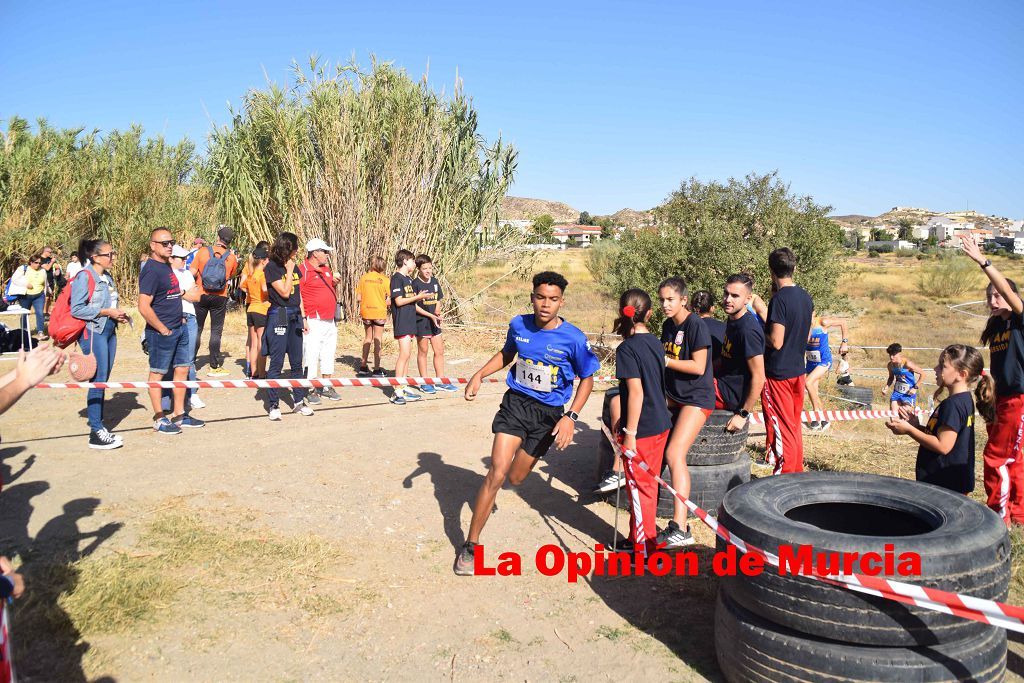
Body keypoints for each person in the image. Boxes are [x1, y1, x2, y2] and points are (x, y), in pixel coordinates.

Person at [454, 271, 600, 575]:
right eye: (540, 297)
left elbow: (587, 377)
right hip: (516, 405)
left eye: (553, 299)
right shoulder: (519, 324)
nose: (545, 304)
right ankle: (471, 546)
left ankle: (500, 489)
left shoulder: (573, 338)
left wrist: (571, 417)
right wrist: (479, 375)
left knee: (517, 478)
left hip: (548, 415)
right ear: (532, 297)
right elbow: (507, 353)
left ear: (562, 302)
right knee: (497, 471)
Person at [962, 233, 1024, 524]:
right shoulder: (997, 326)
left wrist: (982, 261)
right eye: (988, 295)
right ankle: (1016, 515)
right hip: (1003, 399)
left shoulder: (1019, 319)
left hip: (1017, 398)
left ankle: (998, 518)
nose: (992, 298)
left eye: (997, 294)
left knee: (995, 457)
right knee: (1015, 460)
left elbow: (1011, 296)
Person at [611, 289, 672, 555]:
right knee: (648, 486)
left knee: (640, 489)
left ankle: (645, 548)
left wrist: (630, 432)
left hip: (643, 429)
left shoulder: (626, 349)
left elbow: (636, 392)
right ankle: (636, 536)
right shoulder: (656, 343)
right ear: (648, 314)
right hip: (660, 423)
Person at [656, 276, 715, 549]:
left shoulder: (696, 325)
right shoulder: (668, 326)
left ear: (683, 300)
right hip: (673, 396)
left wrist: (666, 360)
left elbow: (699, 367)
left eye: (670, 300)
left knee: (674, 454)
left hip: (696, 398)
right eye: (661, 300)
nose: (665, 305)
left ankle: (681, 527)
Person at [886, 344, 986, 495]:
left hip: (946, 486)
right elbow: (942, 437)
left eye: (942, 366)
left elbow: (943, 446)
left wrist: (909, 430)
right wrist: (917, 426)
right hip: (947, 483)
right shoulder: (963, 400)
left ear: (961, 374)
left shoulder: (953, 405)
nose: (935, 369)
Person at [138, 227, 205, 435]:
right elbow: (143, 306)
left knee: (183, 369)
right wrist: (162, 329)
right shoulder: (150, 269)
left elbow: (174, 293)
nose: (169, 246)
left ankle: (179, 415)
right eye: (164, 243)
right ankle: (159, 417)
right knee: (157, 373)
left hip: (180, 326)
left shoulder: (168, 266)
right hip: (162, 332)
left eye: (171, 243)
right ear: (153, 245)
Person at [70, 239, 131, 449]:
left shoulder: (108, 277)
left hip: (109, 331)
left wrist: (119, 316)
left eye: (113, 253)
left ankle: (100, 426)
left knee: (103, 379)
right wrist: (106, 312)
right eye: (109, 254)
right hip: (93, 332)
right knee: (98, 379)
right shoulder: (84, 277)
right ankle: (96, 431)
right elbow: (76, 309)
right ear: (95, 257)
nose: (113, 257)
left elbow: (111, 303)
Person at [761, 248, 814, 475]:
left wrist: (757, 332)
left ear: (771, 271)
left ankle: (784, 478)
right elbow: (809, 334)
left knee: (782, 429)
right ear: (794, 268)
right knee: (793, 426)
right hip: (798, 371)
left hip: (778, 373)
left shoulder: (779, 300)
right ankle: (796, 473)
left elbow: (776, 340)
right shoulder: (805, 297)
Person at [263, 232, 312, 420]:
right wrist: (290, 270)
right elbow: (284, 292)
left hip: (295, 315)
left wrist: (304, 317)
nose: (297, 251)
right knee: (276, 361)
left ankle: (299, 401)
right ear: (287, 248)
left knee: (297, 361)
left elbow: (297, 294)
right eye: (295, 247)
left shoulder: (295, 267)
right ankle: (273, 405)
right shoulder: (272, 267)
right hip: (280, 313)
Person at [716, 274, 766, 434]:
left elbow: (759, 377)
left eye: (735, 296)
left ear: (747, 298)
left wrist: (742, 414)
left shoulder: (747, 330)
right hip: (721, 383)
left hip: (731, 395)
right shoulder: (733, 319)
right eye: (726, 293)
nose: (728, 299)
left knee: (680, 391)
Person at [189, 226, 238, 377]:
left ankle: (191, 363)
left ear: (218, 237)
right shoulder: (231, 257)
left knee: (197, 329)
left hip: (201, 294)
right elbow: (230, 275)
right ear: (230, 241)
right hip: (220, 296)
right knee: (216, 331)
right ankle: (214, 366)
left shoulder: (203, 252)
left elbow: (192, 271)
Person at [160, 246, 204, 413]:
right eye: (182, 258)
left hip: (190, 317)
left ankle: (192, 394)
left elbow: (197, 296)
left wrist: (180, 292)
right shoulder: (164, 274)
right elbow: (165, 296)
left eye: (187, 258)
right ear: (171, 258)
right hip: (171, 318)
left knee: (189, 358)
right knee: (169, 358)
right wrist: (182, 293)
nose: (185, 261)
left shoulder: (186, 274)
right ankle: (166, 396)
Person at [299, 238, 342, 404]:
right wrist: (303, 318)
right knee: (311, 353)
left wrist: (335, 283)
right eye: (324, 252)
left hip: (329, 319)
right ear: (315, 253)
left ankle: (326, 386)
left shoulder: (326, 269)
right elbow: (299, 296)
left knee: (328, 352)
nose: (327, 254)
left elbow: (329, 288)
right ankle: (309, 387)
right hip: (313, 319)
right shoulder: (302, 270)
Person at [389, 249, 433, 405]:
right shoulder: (397, 278)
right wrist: (418, 297)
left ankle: (403, 385)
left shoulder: (407, 279)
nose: (415, 264)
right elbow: (399, 301)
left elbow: (411, 302)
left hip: (410, 321)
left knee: (407, 355)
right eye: (413, 261)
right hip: (402, 321)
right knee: (404, 354)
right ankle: (397, 390)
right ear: (405, 261)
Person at [413, 254, 458, 394]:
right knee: (423, 352)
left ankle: (440, 380)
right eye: (425, 268)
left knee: (439, 351)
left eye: (430, 268)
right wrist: (430, 315)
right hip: (422, 321)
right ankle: (424, 382)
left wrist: (438, 312)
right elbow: (413, 305)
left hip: (434, 322)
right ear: (419, 269)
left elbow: (438, 298)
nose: (428, 271)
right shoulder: (415, 284)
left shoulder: (434, 281)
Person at [804, 315, 850, 431]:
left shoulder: (822, 322)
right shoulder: (802, 324)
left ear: (813, 312)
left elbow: (843, 322)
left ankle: (820, 416)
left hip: (824, 361)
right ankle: (820, 418)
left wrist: (844, 342)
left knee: (807, 383)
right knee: (813, 391)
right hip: (811, 362)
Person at [357, 256, 390, 377]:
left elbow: (359, 297)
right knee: (378, 339)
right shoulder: (385, 280)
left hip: (366, 312)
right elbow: (390, 298)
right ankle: (376, 369)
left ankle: (363, 366)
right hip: (379, 312)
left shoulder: (364, 278)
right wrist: (382, 302)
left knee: (367, 338)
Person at [244, 246, 270, 380]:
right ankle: (262, 371)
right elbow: (265, 290)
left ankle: (253, 371)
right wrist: (269, 296)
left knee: (253, 343)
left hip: (251, 309)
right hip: (261, 309)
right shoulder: (262, 275)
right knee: (261, 341)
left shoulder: (250, 274)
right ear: (263, 261)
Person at [884, 343, 924, 413]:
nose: (891, 357)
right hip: (897, 392)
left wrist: (915, 388)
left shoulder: (907, 364)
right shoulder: (890, 365)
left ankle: (917, 415)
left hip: (908, 394)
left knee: (906, 417)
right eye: (890, 355)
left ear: (899, 353)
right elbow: (891, 378)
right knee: (894, 417)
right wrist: (886, 387)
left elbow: (923, 374)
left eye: (893, 355)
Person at [17, 253, 48, 339]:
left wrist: (48, 289)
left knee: (40, 313)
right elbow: (14, 279)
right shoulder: (23, 269)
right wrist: (25, 284)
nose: (38, 264)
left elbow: (45, 281)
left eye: (39, 263)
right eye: (36, 262)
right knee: (25, 314)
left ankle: (40, 332)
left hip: (39, 295)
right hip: (25, 296)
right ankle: (24, 332)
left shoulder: (42, 270)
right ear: (30, 262)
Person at [691, 289, 726, 363]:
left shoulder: (687, 328)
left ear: (692, 308)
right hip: (718, 372)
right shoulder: (724, 327)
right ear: (712, 308)